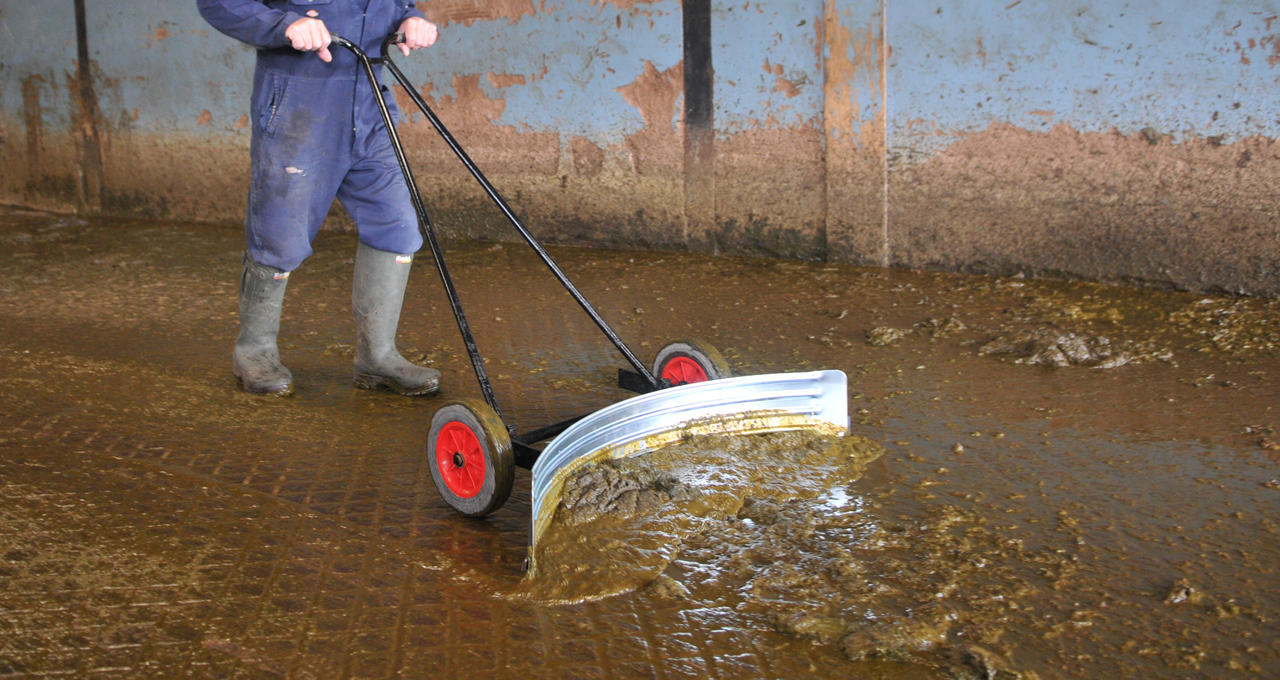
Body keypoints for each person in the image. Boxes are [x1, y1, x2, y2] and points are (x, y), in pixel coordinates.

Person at [196, 0, 441, 396]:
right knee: (279, 235)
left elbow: (396, 7)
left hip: (370, 107)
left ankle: (377, 357)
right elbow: (219, 4)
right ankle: (254, 351)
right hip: (300, 105)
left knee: (397, 227)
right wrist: (283, 25)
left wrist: (409, 20)